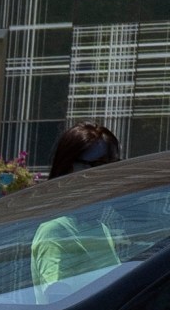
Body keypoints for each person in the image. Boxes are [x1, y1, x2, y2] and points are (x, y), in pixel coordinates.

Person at [33, 123, 124, 293]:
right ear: (69, 168)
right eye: (100, 165)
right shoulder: (55, 231)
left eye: (114, 164)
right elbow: (59, 304)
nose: (110, 174)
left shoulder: (100, 228)